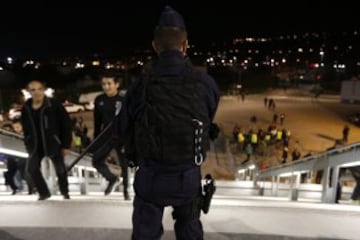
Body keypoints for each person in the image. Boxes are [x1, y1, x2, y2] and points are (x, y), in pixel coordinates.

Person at [117, 6, 219, 240]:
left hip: (151, 176)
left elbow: (123, 128)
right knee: (189, 226)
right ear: (185, 45)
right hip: (188, 176)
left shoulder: (139, 86)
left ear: (155, 46)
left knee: (145, 231)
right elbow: (207, 117)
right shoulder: (205, 83)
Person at [20, 80, 73, 200]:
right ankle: (44, 193)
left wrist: (66, 145)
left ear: (43, 90)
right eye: (33, 90)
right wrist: (27, 142)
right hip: (35, 145)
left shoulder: (53, 105)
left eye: (39, 89)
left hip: (53, 143)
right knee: (31, 169)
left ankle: (65, 192)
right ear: (29, 92)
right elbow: (25, 127)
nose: (37, 92)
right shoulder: (26, 108)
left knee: (60, 170)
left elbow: (65, 124)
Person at [92, 73, 130, 199]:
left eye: (109, 84)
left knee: (124, 165)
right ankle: (112, 178)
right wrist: (95, 140)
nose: (106, 87)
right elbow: (97, 121)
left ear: (116, 84)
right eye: (104, 84)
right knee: (96, 160)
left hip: (121, 137)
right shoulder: (99, 100)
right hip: (105, 136)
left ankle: (126, 191)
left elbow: (130, 121)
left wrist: (128, 140)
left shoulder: (123, 100)